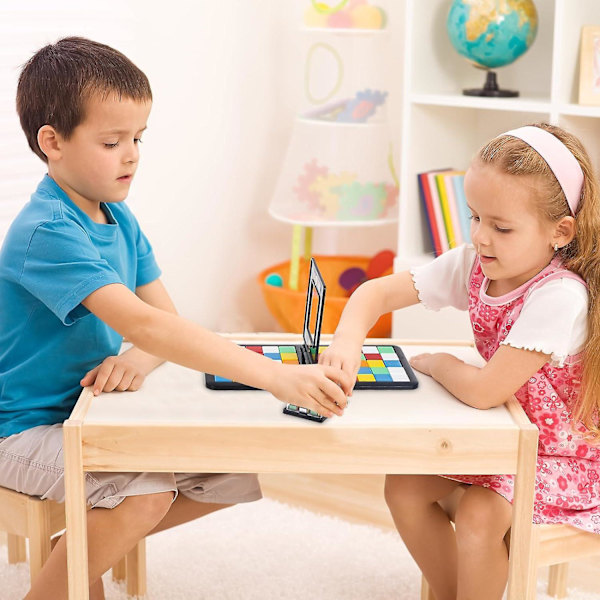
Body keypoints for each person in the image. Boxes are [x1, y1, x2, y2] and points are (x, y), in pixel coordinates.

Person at [0, 37, 351, 600]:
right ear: (53, 142)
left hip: (94, 413)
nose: (132, 154)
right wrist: (277, 377)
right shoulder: (47, 232)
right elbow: (150, 326)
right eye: (112, 141)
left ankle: (80, 545)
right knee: (145, 491)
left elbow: (161, 323)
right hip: (25, 429)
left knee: (228, 471)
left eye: (137, 138)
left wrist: (136, 361)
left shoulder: (118, 217)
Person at [320, 123, 600, 600]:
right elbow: (373, 293)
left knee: (480, 513)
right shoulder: (475, 262)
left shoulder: (560, 295)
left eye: (501, 226)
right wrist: (346, 343)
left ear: (560, 231)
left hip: (559, 458)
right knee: (404, 487)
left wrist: (438, 363)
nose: (481, 238)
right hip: (500, 437)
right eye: (475, 217)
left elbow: (486, 390)